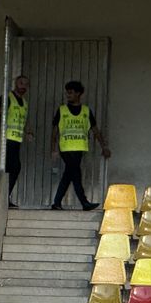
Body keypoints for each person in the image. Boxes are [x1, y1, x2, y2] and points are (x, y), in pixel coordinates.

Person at [51, 80, 110, 210]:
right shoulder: (62, 110)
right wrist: (54, 149)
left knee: (69, 174)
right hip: (66, 148)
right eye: (67, 93)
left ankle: (57, 202)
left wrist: (103, 146)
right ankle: (84, 202)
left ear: (78, 93)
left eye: (71, 93)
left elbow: (95, 130)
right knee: (75, 174)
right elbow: (55, 131)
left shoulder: (86, 111)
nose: (68, 95)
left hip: (79, 149)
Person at [0, 75, 31, 208]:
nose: (23, 86)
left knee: (13, 168)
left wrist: (28, 132)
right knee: (12, 167)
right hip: (6, 139)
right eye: (21, 83)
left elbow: (22, 121)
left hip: (16, 140)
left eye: (26, 84)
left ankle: (4, 197)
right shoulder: (7, 97)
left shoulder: (24, 103)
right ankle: (3, 198)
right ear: (16, 83)